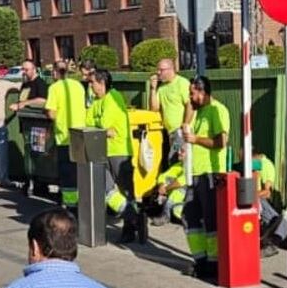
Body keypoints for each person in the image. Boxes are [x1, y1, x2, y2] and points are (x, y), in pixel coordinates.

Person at [181, 77, 230, 278]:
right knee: (189, 216)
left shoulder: (217, 110)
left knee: (210, 221)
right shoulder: (198, 112)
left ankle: (213, 263)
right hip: (194, 172)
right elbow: (186, 128)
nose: (190, 97)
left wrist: (196, 139)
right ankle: (200, 261)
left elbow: (221, 141)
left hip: (209, 172)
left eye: (192, 93)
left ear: (202, 92)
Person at [85, 70, 140, 243]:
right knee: (107, 188)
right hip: (103, 150)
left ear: (101, 83)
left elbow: (102, 124)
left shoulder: (113, 98)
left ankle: (130, 227)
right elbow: (88, 122)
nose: (90, 86)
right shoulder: (97, 100)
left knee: (125, 190)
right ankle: (134, 216)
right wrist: (100, 128)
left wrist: (100, 127)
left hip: (119, 151)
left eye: (92, 82)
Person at [45, 61, 87, 207]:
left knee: (67, 174)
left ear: (55, 73)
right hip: (81, 134)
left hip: (64, 136)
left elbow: (51, 113)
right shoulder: (78, 86)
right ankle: (83, 201)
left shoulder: (54, 88)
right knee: (80, 171)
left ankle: (70, 205)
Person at [10, 60, 51, 198]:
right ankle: (31, 181)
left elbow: (43, 100)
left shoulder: (40, 83)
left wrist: (24, 103)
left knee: (38, 154)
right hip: (26, 124)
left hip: (38, 126)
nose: (25, 72)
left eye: (27, 69)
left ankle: (39, 183)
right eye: (23, 69)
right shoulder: (25, 84)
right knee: (29, 153)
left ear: (34, 69)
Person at [148, 59, 193, 167]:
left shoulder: (182, 83)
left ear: (171, 69)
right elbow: (154, 108)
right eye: (157, 70)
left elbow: (190, 105)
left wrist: (185, 124)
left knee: (175, 161)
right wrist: (153, 89)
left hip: (180, 131)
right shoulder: (162, 88)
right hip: (170, 132)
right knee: (175, 161)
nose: (158, 73)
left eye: (161, 70)